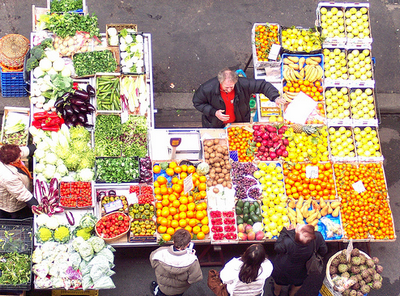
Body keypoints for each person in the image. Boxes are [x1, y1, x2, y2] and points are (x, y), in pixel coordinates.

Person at [192, 68, 285, 128]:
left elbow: (263, 85)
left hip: (239, 123)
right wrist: (214, 112)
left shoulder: (243, 84)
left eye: (231, 87)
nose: (229, 90)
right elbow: (197, 102)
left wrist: (275, 97)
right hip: (214, 125)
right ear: (220, 81)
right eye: (226, 87)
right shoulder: (207, 88)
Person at [271, 224, 328, 296]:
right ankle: (291, 294)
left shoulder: (288, 241)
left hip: (284, 269)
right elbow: (324, 251)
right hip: (302, 270)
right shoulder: (318, 237)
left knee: (279, 281)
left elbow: (277, 247)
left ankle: (276, 293)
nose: (298, 225)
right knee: (298, 283)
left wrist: (284, 232)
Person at [150, 229, 203, 296]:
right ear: (188, 244)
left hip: (163, 286)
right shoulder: (192, 260)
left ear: (173, 241)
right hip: (179, 290)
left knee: (160, 293)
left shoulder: (160, 252)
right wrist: (191, 256)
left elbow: (153, 263)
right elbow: (194, 279)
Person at [0, 144, 38, 219]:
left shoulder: (5, 154)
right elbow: (23, 194)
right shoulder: (8, 176)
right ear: (12, 161)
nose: (20, 155)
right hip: (13, 204)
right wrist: (38, 207)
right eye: (19, 156)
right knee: (19, 215)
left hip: (16, 190)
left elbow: (23, 151)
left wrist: (37, 146)